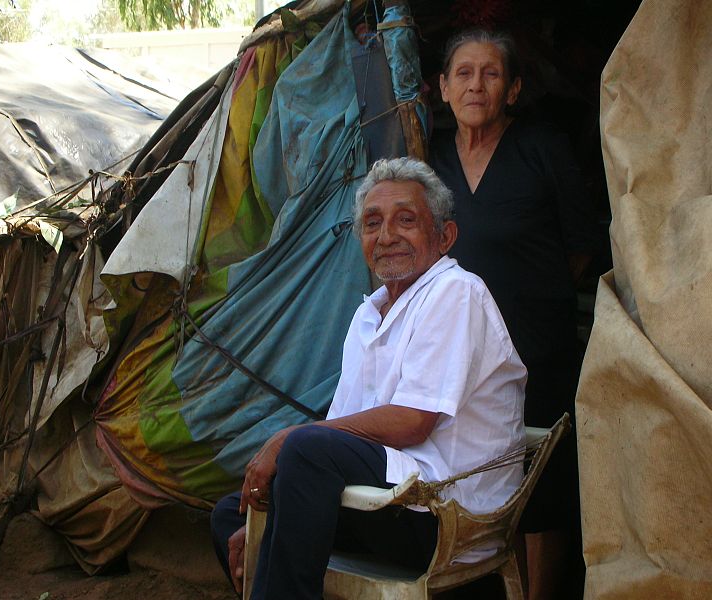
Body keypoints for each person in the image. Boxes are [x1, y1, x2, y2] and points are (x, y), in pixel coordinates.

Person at [210, 157, 527, 599]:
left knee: (301, 452)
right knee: (237, 511)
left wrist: (288, 439)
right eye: (373, 223)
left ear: (444, 237)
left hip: (445, 518)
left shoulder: (457, 292)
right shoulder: (368, 315)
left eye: (407, 220)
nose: (387, 236)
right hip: (386, 506)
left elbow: (414, 421)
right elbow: (345, 429)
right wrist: (271, 514)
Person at [429, 28, 597, 600]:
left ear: (515, 88)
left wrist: (526, 296)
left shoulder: (541, 149)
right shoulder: (428, 163)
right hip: (458, 354)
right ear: (443, 88)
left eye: (492, 73)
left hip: (536, 345)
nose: (477, 84)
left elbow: (580, 247)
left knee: (541, 490)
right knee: (478, 475)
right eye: (465, 73)